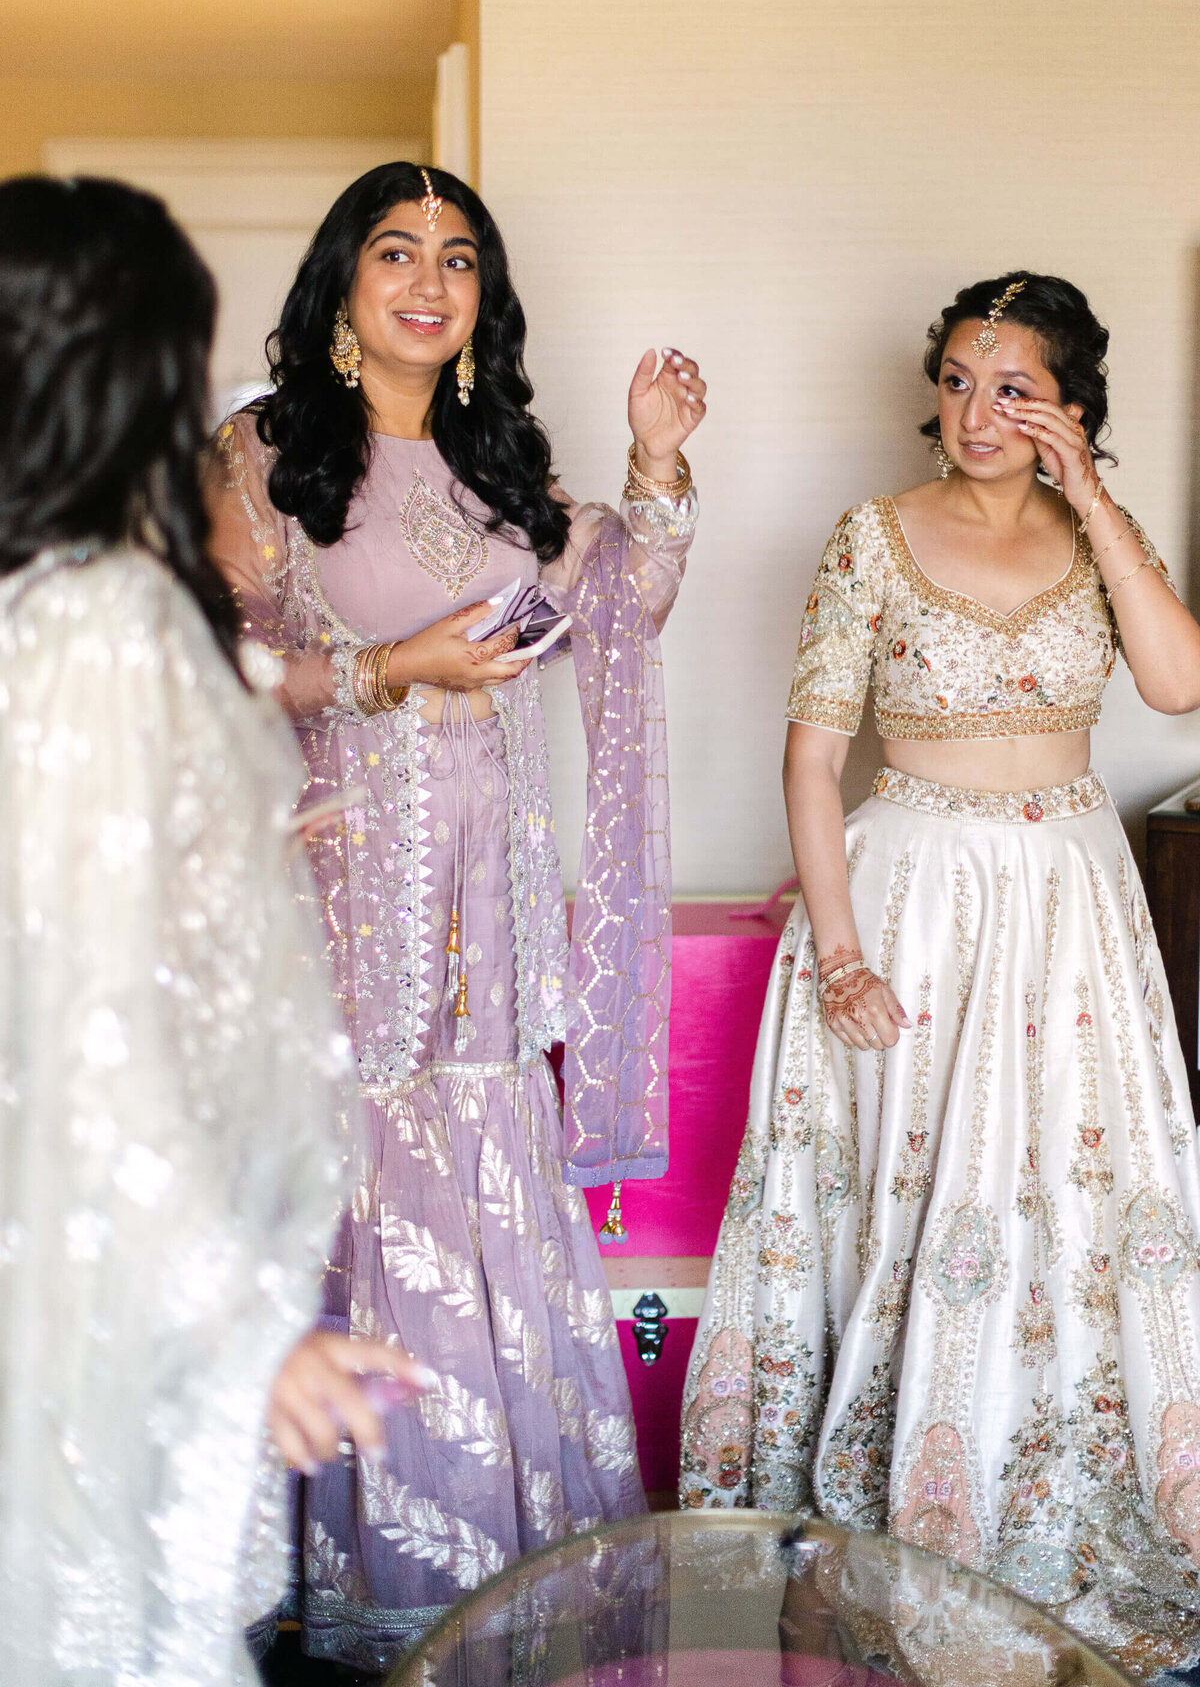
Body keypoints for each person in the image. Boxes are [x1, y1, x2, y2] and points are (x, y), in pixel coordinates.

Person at [206, 161, 706, 1668]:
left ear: (483, 299)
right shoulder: (267, 454)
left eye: (460, 258)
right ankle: (360, 1579)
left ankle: (500, 1565)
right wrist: (385, 672)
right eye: (396, 251)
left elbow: (613, 604)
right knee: (353, 1171)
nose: (431, 279)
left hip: (486, 901)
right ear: (342, 289)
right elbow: (204, 663)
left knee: (481, 1141)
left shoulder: (503, 470)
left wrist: (656, 459)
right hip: (336, 885)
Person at [680, 272, 1200, 1677]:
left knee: (1073, 1198)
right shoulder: (871, 539)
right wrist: (839, 956)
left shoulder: (1102, 535)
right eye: (963, 380)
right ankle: (904, 1498)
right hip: (914, 901)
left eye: (1016, 384)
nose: (980, 411)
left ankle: (1057, 1502)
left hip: (1074, 901)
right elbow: (809, 759)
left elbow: (1178, 681)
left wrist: (1092, 498)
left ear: (1069, 401)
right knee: (914, 1204)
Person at [0, 175, 429, 1687]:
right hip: (103, 1284)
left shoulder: (29, 603)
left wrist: (226, 854)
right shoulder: (103, 624)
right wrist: (249, 1331)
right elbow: (87, 1038)